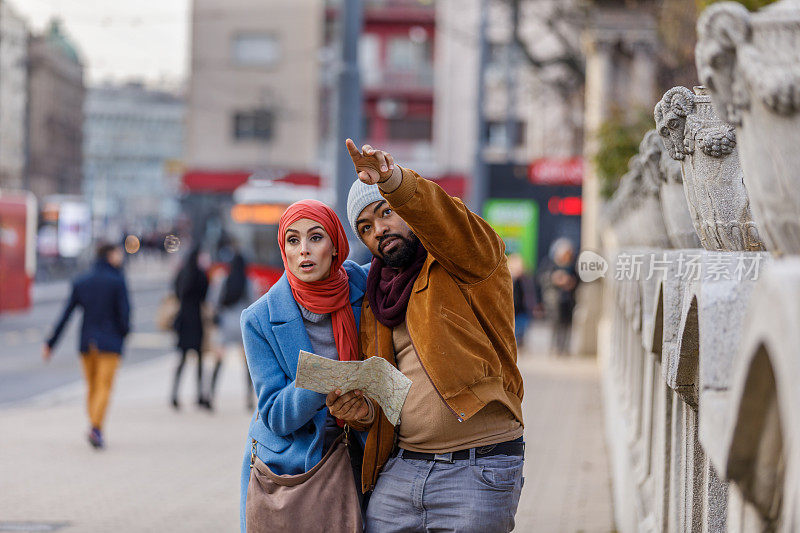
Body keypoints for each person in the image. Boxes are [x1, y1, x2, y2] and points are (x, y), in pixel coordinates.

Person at [330, 139, 525, 533]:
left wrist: (394, 182)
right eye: (365, 228)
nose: (379, 230)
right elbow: (391, 389)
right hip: (403, 469)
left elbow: (444, 220)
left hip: (478, 467)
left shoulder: (468, 262)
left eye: (386, 212)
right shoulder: (376, 295)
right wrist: (365, 413)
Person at [239, 200, 370, 532]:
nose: (303, 251)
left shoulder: (365, 290)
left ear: (336, 244)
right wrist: (323, 379)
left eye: (316, 237)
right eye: (292, 241)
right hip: (290, 467)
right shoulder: (259, 318)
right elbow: (275, 414)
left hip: (360, 449)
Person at [43, 242, 131, 449]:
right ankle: (96, 427)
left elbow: (66, 314)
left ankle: (94, 425)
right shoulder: (117, 281)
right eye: (118, 253)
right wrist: (124, 334)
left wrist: (50, 343)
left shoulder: (83, 281)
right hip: (110, 343)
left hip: (87, 342)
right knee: (104, 386)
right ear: (110, 255)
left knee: (92, 386)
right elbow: (125, 314)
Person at [206, 247, 254, 410]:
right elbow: (253, 304)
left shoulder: (223, 280)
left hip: (225, 325)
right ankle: (249, 398)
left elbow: (213, 302)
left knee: (218, 361)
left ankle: (211, 395)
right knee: (247, 365)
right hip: (241, 327)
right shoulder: (248, 281)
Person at [171, 246, 209, 409]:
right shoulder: (201, 275)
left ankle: (174, 394)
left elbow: (176, 292)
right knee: (200, 358)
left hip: (183, 318)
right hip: (196, 319)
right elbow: (205, 295)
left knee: (182, 358)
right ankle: (200, 394)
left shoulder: (181, 274)